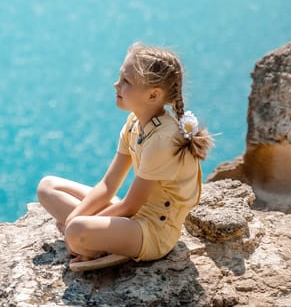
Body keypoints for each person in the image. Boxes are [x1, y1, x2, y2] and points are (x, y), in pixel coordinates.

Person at [36, 42, 214, 271]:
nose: (116, 85)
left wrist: (78, 225)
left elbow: (130, 205)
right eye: (120, 77)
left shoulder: (163, 140)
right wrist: (75, 220)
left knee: (76, 232)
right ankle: (101, 240)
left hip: (152, 232)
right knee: (48, 187)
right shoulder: (134, 123)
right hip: (133, 217)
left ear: (153, 95)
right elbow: (108, 185)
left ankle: (105, 245)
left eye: (126, 81)